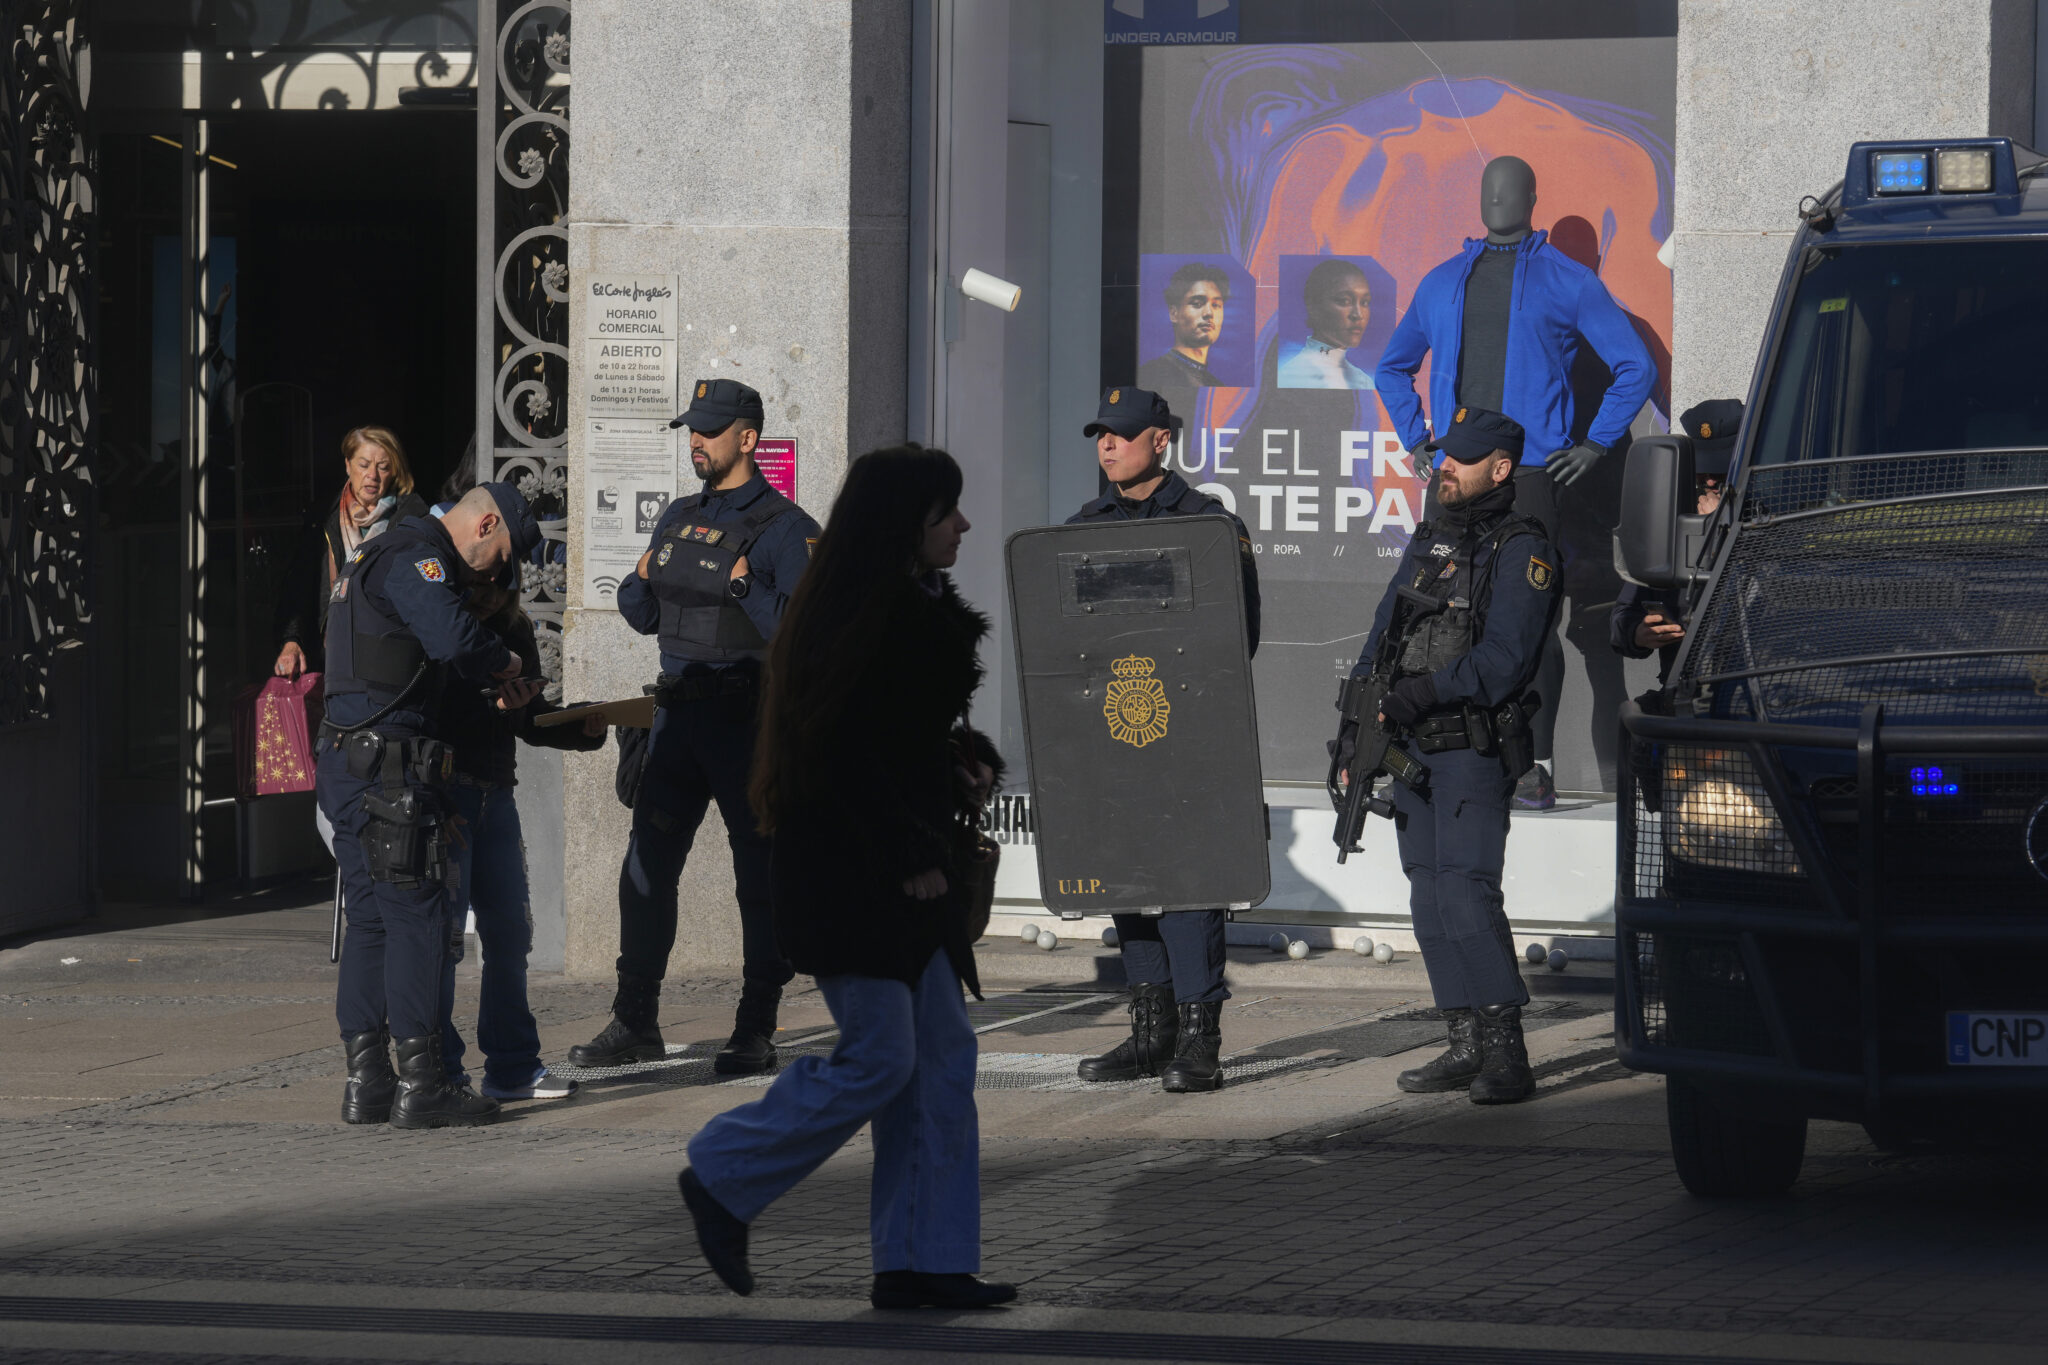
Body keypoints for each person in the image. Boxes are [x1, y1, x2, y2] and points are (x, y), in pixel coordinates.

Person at [677, 444, 1014, 1311]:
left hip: (905, 875)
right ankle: (723, 1171)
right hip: (854, 878)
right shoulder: (855, 612)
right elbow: (835, 752)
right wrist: (910, 853)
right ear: (903, 523)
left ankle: (924, 1261)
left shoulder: (910, 604)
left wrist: (961, 760)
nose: (963, 525)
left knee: (940, 1059)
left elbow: (897, 736)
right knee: (882, 1056)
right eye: (946, 512)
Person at [1375, 155, 1654, 809]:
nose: (1496, 198)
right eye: (1488, 188)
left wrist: (1594, 444)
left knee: (1527, 621)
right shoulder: (1442, 281)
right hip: (1454, 476)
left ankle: (1532, 766)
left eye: (1509, 188)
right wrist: (1417, 439)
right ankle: (1424, 755)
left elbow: (1634, 367)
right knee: (1431, 617)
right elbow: (1392, 366)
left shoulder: (1569, 280)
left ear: (1531, 197)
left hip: (1531, 476)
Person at [569, 379, 821, 1076]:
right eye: (692, 431)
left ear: (749, 438)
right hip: (676, 718)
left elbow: (804, 635)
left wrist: (743, 584)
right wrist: (638, 577)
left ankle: (756, 1026)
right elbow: (644, 610)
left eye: (709, 431)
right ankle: (635, 1019)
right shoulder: (680, 516)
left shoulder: (787, 529)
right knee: (645, 869)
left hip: (745, 723)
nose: (697, 442)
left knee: (758, 878)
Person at [1336, 407, 1561, 1105]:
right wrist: (1352, 732)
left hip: (1469, 745)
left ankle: (1505, 1051)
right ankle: (1463, 1041)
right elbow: (1381, 638)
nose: (1445, 468)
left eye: (1462, 458)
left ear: (1501, 468)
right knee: (1428, 892)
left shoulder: (1523, 550)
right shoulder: (1430, 538)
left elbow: (1504, 660)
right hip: (1409, 748)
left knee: (1466, 891)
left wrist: (1420, 693)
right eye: (1443, 456)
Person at [319, 483, 542, 1129]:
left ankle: (368, 1082)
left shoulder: (374, 553)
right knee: (419, 918)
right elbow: (452, 637)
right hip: (388, 770)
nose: (497, 574)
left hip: (349, 760)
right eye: (503, 556)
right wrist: (504, 659)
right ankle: (425, 1083)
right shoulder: (417, 554)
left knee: (369, 921)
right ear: (487, 524)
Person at [1064, 386, 1259, 1092]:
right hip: (1112, 732)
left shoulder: (1209, 523)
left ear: (1161, 441)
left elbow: (1241, 632)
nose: (1107, 445)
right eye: (1101, 434)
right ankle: (1151, 1034)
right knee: (1128, 870)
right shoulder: (1081, 528)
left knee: (1189, 882)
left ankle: (1199, 1038)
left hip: (1188, 735)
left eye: (1121, 433)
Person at [426, 481, 607, 1105]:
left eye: (503, 580)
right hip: (447, 793)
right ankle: (442, 1069)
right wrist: (488, 701)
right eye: (489, 575)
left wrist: (578, 726)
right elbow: (425, 708)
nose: (492, 586)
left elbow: (529, 719)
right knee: (444, 940)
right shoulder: (437, 619)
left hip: (494, 795)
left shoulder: (513, 628)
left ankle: (511, 1065)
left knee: (510, 934)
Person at [276, 426, 431, 678]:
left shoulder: (411, 520)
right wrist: (292, 640)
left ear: (394, 471)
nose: (373, 475)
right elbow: (300, 584)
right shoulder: (323, 517)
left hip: (388, 656)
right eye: (364, 465)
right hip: (330, 654)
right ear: (348, 465)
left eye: (383, 467)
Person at [1611, 399, 1739, 683]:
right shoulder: (1672, 527)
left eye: (1719, 473)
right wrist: (1637, 633)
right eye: (1703, 472)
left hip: (1747, 683)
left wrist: (1725, 531)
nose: (1709, 483)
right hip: (1685, 690)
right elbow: (1624, 612)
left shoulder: (1761, 523)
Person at [1137, 263, 1232, 413]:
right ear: (1174, 313)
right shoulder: (1149, 376)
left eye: (1216, 305)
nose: (1209, 313)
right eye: (1197, 304)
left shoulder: (1219, 387)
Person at [1278, 259, 1375, 389]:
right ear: (1314, 307)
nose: (1358, 315)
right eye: (1344, 301)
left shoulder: (1364, 381)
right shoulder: (1289, 377)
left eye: (1364, 302)